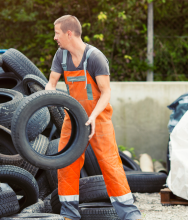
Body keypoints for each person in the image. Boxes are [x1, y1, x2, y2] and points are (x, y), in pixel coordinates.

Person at [45, 15, 142, 220]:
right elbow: (51, 83)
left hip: (99, 117)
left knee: (109, 163)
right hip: (73, 119)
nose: (55, 38)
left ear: (69, 33)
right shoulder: (61, 56)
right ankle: (69, 214)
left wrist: (93, 117)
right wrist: (47, 96)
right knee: (66, 163)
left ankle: (129, 213)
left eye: (57, 33)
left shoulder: (95, 57)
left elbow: (105, 92)